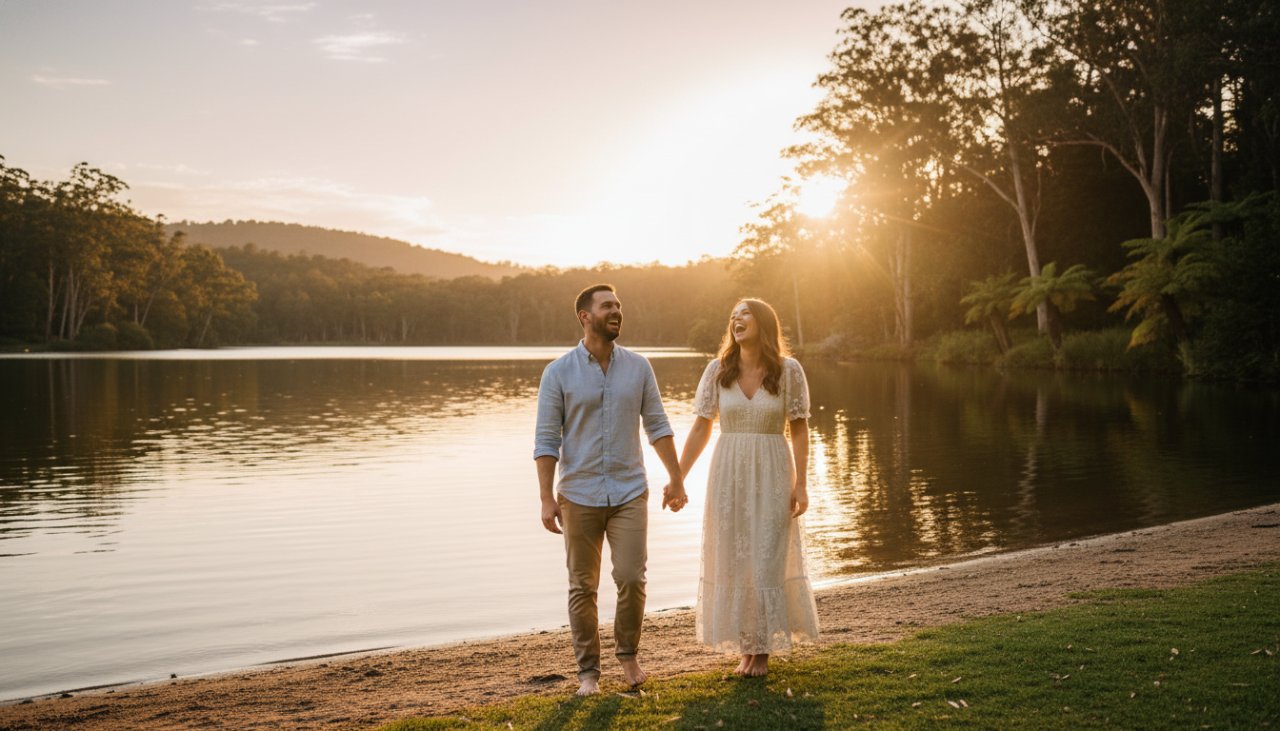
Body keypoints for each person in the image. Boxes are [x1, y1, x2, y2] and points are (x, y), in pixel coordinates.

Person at [534, 283, 689, 697]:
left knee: (631, 577)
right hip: (578, 494)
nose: (616, 311)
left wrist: (676, 476)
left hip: (628, 492)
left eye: (618, 305)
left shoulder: (638, 368)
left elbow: (657, 425)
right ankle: (588, 673)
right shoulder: (558, 372)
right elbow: (547, 440)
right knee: (582, 587)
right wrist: (547, 498)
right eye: (607, 306)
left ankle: (628, 654)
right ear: (585, 316)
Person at [673, 298, 819, 677]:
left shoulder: (789, 371)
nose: (737, 320)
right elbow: (701, 427)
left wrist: (801, 485)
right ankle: (747, 647)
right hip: (729, 475)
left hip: (773, 471)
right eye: (733, 316)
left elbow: (799, 428)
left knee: (765, 558)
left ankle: (762, 650)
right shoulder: (717, 371)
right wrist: (678, 476)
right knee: (736, 561)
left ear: (764, 323)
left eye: (745, 314)